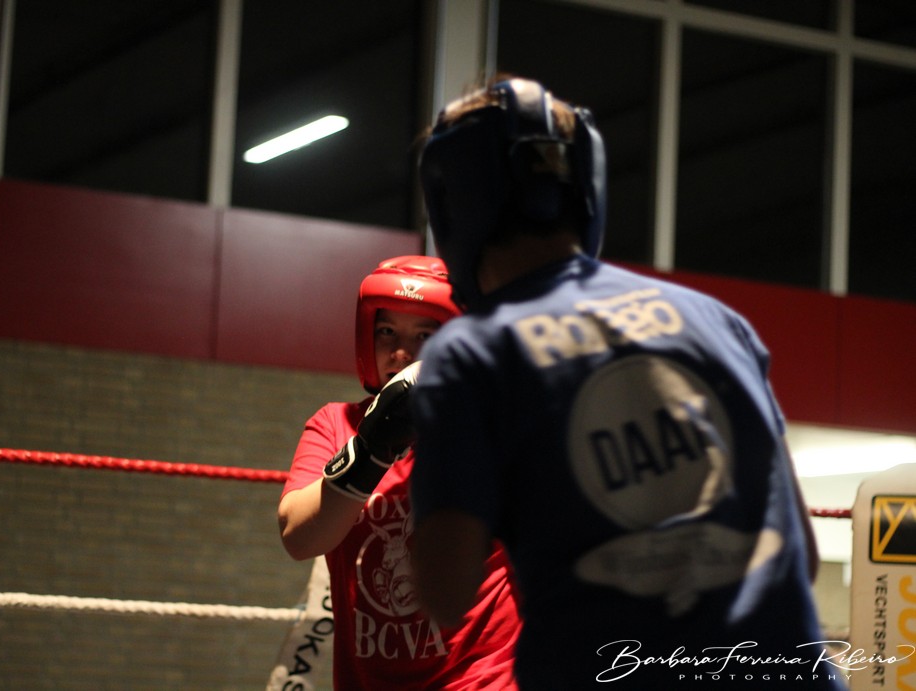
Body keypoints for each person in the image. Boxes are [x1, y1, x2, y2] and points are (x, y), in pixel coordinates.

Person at [409, 77, 844, 688]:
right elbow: (805, 554)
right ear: (585, 185)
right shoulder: (713, 319)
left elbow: (444, 593)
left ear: (450, 198)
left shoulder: (472, 353)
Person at [277, 255, 521, 690]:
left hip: (484, 678)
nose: (401, 354)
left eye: (424, 335)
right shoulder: (335, 424)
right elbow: (300, 538)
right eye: (387, 331)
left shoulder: (496, 429)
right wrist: (372, 448)